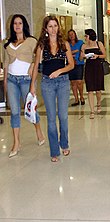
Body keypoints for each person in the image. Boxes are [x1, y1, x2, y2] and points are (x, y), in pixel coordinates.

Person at [30, 16, 74, 162]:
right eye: (50, 26)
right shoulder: (42, 46)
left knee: (63, 116)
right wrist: (32, 86)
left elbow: (71, 65)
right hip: (47, 83)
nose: (53, 29)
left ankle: (65, 143)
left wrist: (60, 71)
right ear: (46, 29)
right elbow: (36, 66)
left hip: (63, 82)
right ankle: (54, 150)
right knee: (51, 119)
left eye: (55, 25)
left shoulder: (64, 44)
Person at [3, 14, 45, 158]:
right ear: (12, 26)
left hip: (26, 80)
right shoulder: (7, 44)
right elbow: (6, 64)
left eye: (20, 23)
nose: (17, 25)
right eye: (15, 23)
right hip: (12, 80)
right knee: (15, 112)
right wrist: (5, 84)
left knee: (31, 109)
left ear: (24, 25)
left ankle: (39, 131)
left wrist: (33, 65)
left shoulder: (32, 41)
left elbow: (38, 58)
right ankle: (16, 142)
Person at [80, 29, 106, 119]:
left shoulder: (99, 44)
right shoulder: (83, 46)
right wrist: (82, 55)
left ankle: (98, 103)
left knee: (98, 89)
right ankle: (92, 110)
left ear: (90, 36)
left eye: (86, 36)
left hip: (98, 67)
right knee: (90, 89)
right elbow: (80, 58)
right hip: (89, 68)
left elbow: (104, 55)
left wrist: (97, 56)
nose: (85, 38)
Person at [67, 29, 85, 106]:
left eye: (72, 34)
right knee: (73, 82)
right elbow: (65, 52)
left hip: (79, 64)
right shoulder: (67, 44)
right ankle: (76, 99)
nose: (71, 36)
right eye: (70, 35)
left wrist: (73, 53)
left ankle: (81, 96)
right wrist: (74, 52)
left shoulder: (80, 42)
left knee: (79, 81)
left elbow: (83, 50)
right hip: (70, 65)